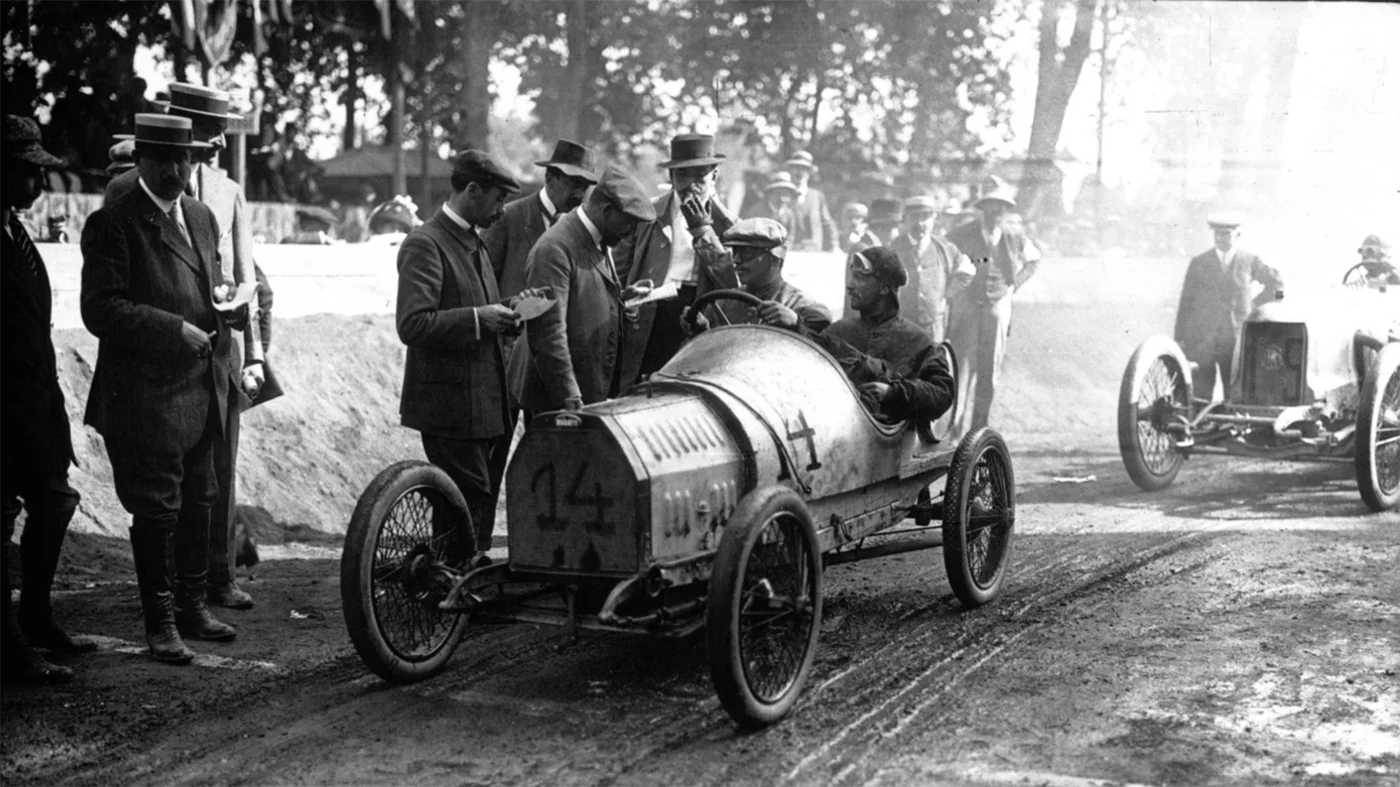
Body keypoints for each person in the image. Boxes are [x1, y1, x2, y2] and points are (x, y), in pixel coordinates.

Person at [105, 83, 273, 610]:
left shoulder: (224, 193)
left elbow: (245, 275)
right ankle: (171, 595)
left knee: (216, 474)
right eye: (209, 130)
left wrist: (253, 353)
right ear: (177, 125)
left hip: (217, 354)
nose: (219, 142)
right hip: (157, 367)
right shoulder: (125, 194)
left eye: (219, 134)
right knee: (164, 490)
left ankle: (215, 580)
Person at [82, 113, 242, 664]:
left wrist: (227, 307)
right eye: (168, 160)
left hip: (202, 387)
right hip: (146, 394)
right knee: (157, 510)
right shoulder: (115, 221)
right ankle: (161, 622)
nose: (180, 170)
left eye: (188, 159)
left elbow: (207, 281)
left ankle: (194, 605)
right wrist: (173, 330)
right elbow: (101, 309)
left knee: (201, 499)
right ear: (143, 159)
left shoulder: (199, 216)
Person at [397, 150, 532, 566]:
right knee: (465, 499)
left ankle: (455, 583)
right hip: (450, 407)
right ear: (472, 191)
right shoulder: (425, 243)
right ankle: (449, 590)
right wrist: (480, 318)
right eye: (496, 199)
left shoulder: (473, 239)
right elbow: (413, 325)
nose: (501, 211)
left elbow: (477, 306)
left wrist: (509, 310)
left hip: (483, 404)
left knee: (472, 500)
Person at [1, 115, 93, 684]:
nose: (38, 187)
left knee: (55, 500)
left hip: (33, 407)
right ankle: (10, 646)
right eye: (26, 173)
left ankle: (35, 618)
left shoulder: (14, 232)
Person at [510, 164, 657, 413]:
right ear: (607, 210)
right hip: (557, 398)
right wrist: (568, 396)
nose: (632, 232)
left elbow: (582, 295)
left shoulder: (598, 236)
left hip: (587, 387)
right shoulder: (555, 248)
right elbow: (548, 332)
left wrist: (620, 300)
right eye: (630, 223)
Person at [615, 133, 741, 388]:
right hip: (649, 311)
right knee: (641, 384)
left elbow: (732, 283)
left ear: (714, 177)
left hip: (696, 313)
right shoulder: (647, 214)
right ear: (671, 178)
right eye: (682, 176)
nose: (690, 185)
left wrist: (703, 231)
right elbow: (618, 270)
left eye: (699, 177)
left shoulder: (729, 226)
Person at [792, 247, 955, 425]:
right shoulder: (838, 331)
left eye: (859, 278)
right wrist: (795, 324)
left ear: (884, 288)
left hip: (889, 447)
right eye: (852, 277)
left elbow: (943, 393)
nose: (850, 285)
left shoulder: (920, 342)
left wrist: (894, 393)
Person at [946, 182, 1042, 432]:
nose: (995, 211)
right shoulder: (963, 233)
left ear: (1006, 210)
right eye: (991, 206)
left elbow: (1033, 260)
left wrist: (1013, 286)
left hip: (997, 303)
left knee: (989, 369)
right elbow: (943, 252)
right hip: (969, 302)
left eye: (1001, 207)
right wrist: (955, 289)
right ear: (982, 208)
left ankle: (978, 429)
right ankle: (954, 430)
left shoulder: (1014, 235)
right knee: (962, 365)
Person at [1173, 214, 1283, 399]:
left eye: (1226, 234)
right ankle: (1200, 425)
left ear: (1238, 235)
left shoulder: (1249, 261)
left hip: (1235, 341)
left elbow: (1278, 286)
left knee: (1234, 393)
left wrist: (1254, 306)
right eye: (1217, 235)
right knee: (1199, 394)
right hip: (1202, 340)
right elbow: (1186, 301)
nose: (1221, 239)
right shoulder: (1199, 263)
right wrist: (1179, 337)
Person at [483, 139, 599, 305]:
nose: (579, 194)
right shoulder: (508, 217)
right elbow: (483, 284)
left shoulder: (580, 229)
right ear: (550, 178)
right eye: (574, 184)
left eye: (585, 187)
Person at [684, 217, 832, 335]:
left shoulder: (803, 307)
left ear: (774, 257)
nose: (736, 260)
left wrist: (797, 324)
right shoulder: (723, 303)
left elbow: (824, 354)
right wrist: (700, 331)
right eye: (735, 251)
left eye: (747, 253)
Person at [890, 196, 976, 343]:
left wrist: (946, 295)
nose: (919, 223)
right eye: (914, 217)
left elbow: (967, 271)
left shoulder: (944, 247)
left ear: (934, 219)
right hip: (902, 326)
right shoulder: (894, 248)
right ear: (906, 219)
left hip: (933, 325)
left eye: (925, 217)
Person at [783, 150, 838, 251]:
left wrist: (834, 245)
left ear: (809, 173)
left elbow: (827, 223)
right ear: (790, 170)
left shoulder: (817, 196)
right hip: (789, 253)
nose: (800, 172)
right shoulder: (783, 196)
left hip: (814, 254)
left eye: (804, 169)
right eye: (796, 168)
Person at [749, 171, 800, 242]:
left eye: (786, 194)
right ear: (770, 194)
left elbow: (791, 237)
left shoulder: (789, 214)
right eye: (778, 193)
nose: (782, 198)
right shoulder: (756, 212)